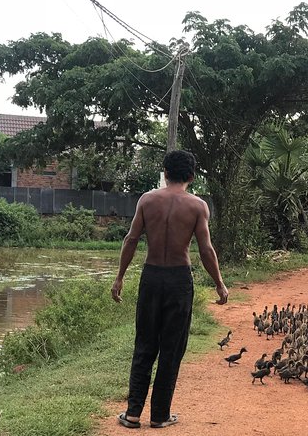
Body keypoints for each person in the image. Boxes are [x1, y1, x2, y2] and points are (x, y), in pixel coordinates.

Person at [112, 150, 228, 429]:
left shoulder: (147, 200)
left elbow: (131, 240)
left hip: (151, 277)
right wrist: (219, 284)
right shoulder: (198, 206)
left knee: (144, 345)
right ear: (191, 176)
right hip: (178, 280)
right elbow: (206, 249)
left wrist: (119, 278)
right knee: (171, 349)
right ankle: (160, 415)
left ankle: (132, 414)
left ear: (165, 173)